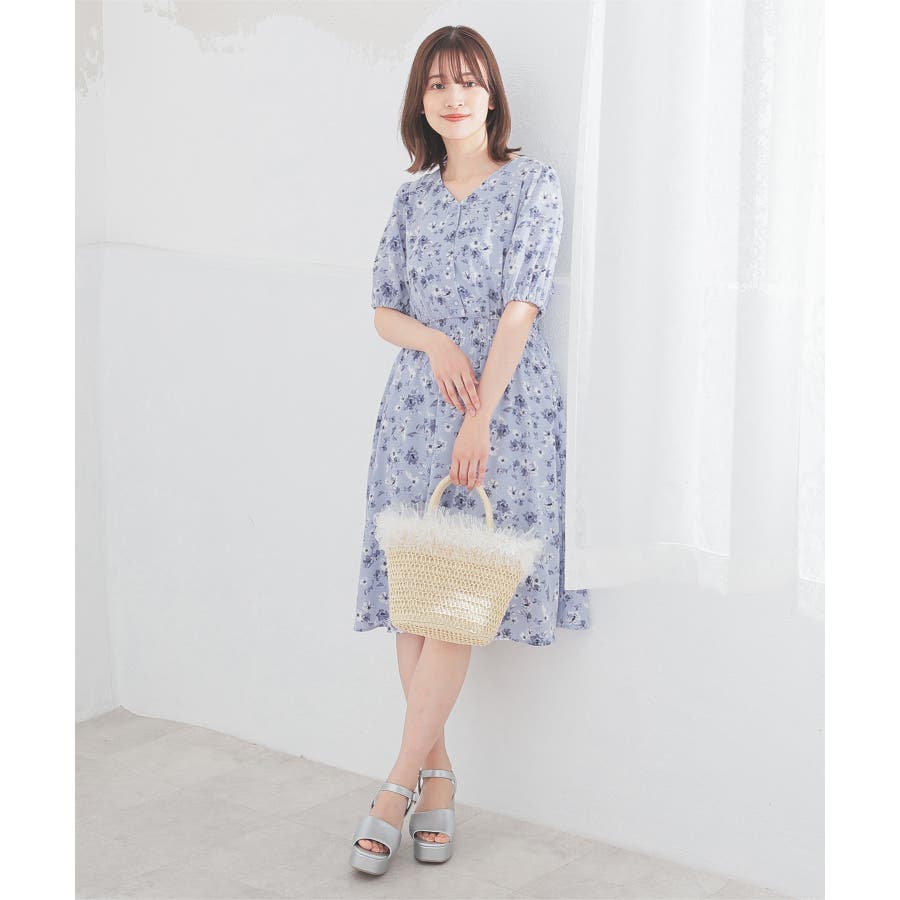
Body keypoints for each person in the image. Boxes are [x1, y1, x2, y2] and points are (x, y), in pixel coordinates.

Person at [349, 25, 591, 875]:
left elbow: (522, 306)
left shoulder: (531, 185)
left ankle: (394, 786)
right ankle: (439, 778)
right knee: (418, 594)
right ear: (420, 102)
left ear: (492, 95)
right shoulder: (412, 199)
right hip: (415, 408)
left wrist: (480, 414)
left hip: (502, 408)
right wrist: (436, 342)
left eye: (469, 81)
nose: (454, 97)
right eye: (437, 84)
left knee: (457, 588)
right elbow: (384, 309)